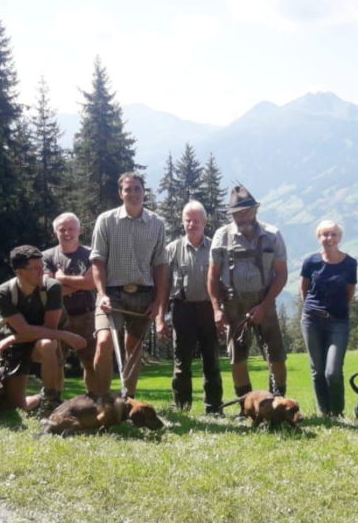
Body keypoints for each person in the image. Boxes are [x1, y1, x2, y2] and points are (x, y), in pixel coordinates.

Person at [90, 172, 168, 398]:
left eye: (137, 189)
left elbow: (161, 266)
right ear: (120, 193)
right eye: (128, 189)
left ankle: (128, 400)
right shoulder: (106, 220)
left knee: (133, 349)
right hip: (111, 294)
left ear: (144, 192)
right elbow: (97, 261)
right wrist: (102, 293)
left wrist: (157, 303)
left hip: (143, 294)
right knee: (104, 342)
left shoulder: (157, 224)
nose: (133, 194)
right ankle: (101, 399)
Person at [208, 185, 289, 398]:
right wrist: (217, 309)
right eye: (236, 214)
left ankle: (277, 402)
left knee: (277, 356)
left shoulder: (273, 235)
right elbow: (212, 276)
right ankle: (246, 406)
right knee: (238, 358)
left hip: (266, 299)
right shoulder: (221, 236)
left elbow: (281, 275)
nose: (241, 217)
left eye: (245, 212)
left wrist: (265, 305)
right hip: (233, 302)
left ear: (255, 210)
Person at [0, 245, 87, 417]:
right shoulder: (2, 293)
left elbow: (49, 330)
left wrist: (12, 338)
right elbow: (24, 330)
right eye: (35, 268)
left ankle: (51, 400)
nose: (42, 271)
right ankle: (42, 399)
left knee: (48, 343)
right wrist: (65, 335)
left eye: (42, 266)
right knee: (15, 407)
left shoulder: (52, 288)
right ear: (19, 272)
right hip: (16, 348)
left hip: (39, 343)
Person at [161, 201, 224, 413]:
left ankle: (214, 408)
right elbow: (163, 286)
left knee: (211, 361)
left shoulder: (215, 248)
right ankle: (182, 408)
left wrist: (221, 311)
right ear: (182, 222)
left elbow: (222, 282)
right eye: (187, 220)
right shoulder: (171, 249)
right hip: (182, 310)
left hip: (208, 310)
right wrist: (160, 318)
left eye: (196, 220)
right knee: (181, 363)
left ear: (205, 222)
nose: (191, 224)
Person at [299, 220, 357, 417]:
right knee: (317, 369)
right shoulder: (310, 262)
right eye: (324, 235)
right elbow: (304, 290)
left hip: (338, 322)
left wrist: (334, 310)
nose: (329, 238)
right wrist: (312, 310)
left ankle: (337, 411)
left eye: (333, 234)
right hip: (312, 321)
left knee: (332, 371)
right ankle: (325, 412)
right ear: (318, 238)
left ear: (340, 238)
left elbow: (349, 293)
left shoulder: (350, 263)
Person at [43, 212, 99, 396]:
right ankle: (54, 401)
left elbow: (93, 283)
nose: (67, 233)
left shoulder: (91, 254)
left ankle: (93, 401)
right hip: (57, 317)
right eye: (62, 230)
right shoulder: (47, 257)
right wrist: (80, 282)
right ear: (54, 233)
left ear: (80, 230)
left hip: (87, 316)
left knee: (91, 363)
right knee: (56, 363)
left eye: (71, 229)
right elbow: (48, 287)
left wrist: (62, 278)